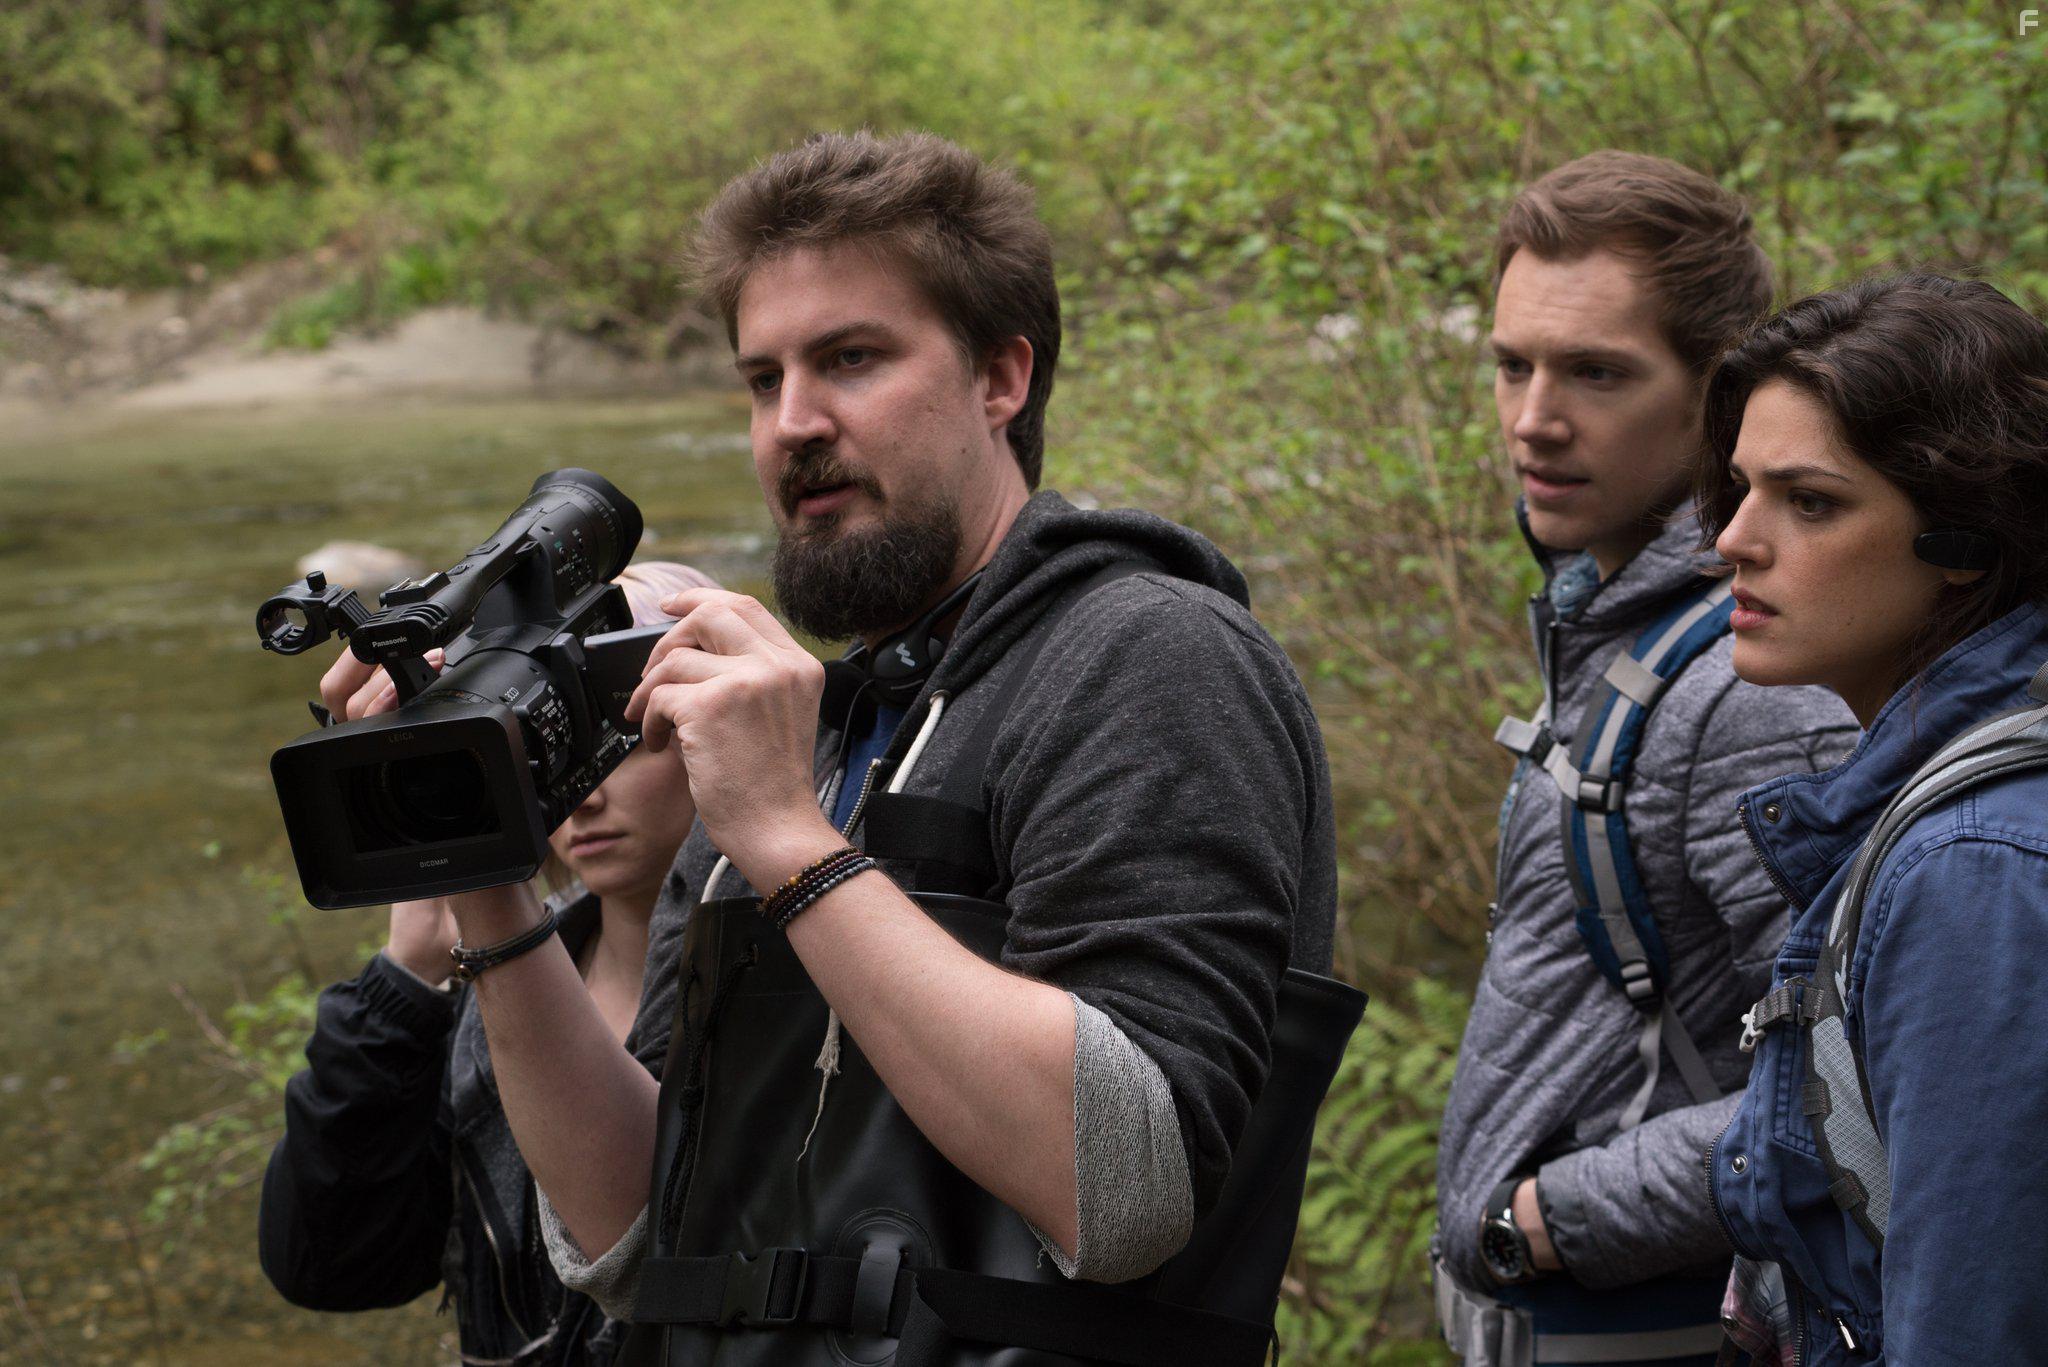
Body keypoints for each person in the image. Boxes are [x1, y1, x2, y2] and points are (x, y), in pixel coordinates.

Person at [314, 130, 1348, 1366]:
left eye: (850, 359)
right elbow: (641, 1233)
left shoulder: (1148, 656)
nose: (793, 422)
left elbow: (1123, 1188)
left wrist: (784, 839)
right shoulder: (830, 716)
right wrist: (482, 858)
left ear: (999, 379)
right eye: (762, 379)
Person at [1434, 151, 1857, 1365]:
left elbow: (1849, 1082)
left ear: (1715, 400)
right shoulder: (1617, 623)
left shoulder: (1749, 686)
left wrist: (1546, 1221)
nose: (1530, 418)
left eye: (1595, 373)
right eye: (1510, 364)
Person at [1697, 274, 2048, 1366]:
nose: (1732, 541)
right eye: (1739, 487)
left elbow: (1972, 1328)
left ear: (1966, 542)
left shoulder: (1972, 864)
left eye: (1809, 501)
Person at [258, 561, 717, 1367]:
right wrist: (405, 982)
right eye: (549, 736)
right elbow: (332, 1264)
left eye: (624, 729)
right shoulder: (480, 1004)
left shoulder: (781, 986)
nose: (586, 789)